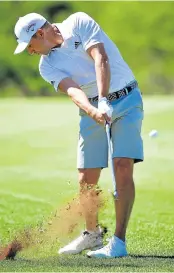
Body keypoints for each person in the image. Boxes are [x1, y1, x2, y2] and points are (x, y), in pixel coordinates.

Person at [13, 11, 144, 258]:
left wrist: (104, 99)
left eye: (30, 45)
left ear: (40, 33)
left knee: (123, 166)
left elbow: (100, 57)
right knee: (86, 176)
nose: (30, 52)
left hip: (125, 99)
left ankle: (118, 242)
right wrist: (94, 110)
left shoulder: (79, 22)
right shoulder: (47, 65)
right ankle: (92, 234)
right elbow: (73, 90)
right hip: (91, 109)